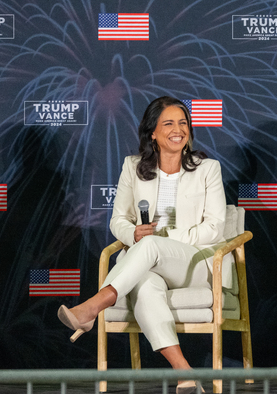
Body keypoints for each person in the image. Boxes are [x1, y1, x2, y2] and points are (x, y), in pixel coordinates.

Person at [58, 96, 227, 394]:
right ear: (152, 132)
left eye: (183, 122)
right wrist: (133, 234)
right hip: (148, 263)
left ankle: (93, 306)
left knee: (150, 247)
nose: (179, 129)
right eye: (169, 123)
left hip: (196, 263)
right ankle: (185, 372)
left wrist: (161, 240)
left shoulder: (207, 168)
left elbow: (215, 227)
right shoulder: (133, 167)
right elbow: (118, 221)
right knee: (145, 285)